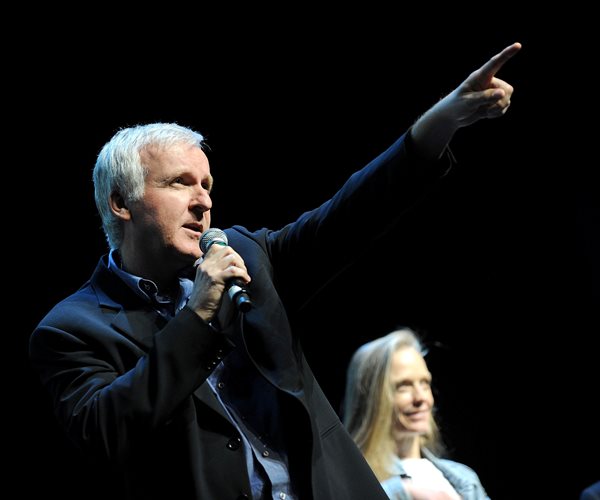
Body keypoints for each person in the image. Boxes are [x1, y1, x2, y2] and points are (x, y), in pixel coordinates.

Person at [29, 42, 520, 500]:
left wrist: (442, 122)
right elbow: (106, 432)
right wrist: (197, 315)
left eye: (207, 185)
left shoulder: (248, 256)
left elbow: (350, 215)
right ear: (121, 202)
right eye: (179, 183)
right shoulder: (72, 329)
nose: (203, 201)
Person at [343, 328, 489, 499]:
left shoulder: (464, 480)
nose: (421, 398)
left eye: (425, 383)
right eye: (404, 386)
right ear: (371, 398)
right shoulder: (348, 479)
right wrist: (402, 491)